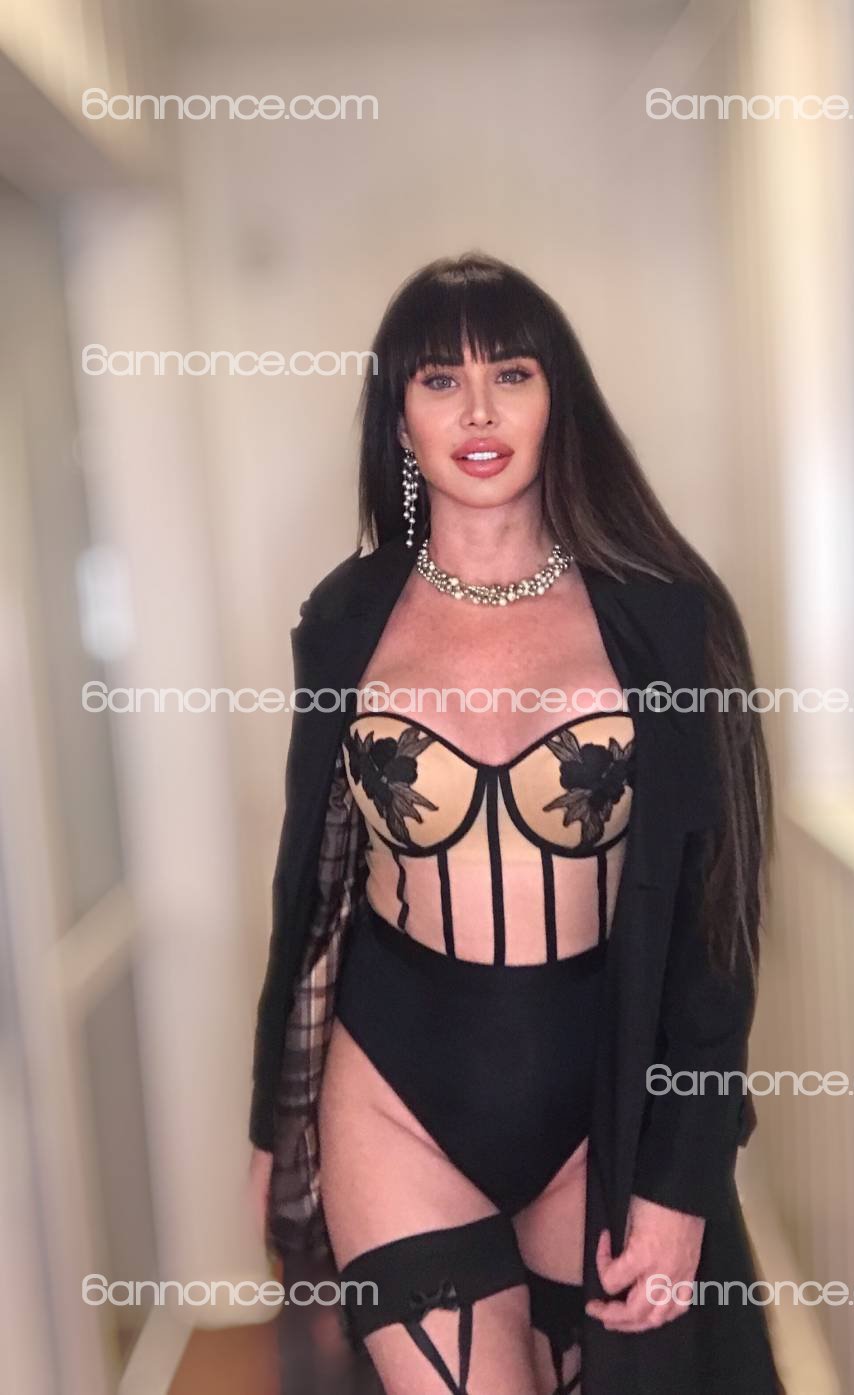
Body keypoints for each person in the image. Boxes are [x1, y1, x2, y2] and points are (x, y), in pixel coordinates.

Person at [248, 252, 784, 1393]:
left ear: (559, 399)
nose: (479, 411)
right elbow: (311, 885)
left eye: (512, 374)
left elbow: (714, 928)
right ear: (399, 417)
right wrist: (272, 1122)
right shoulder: (344, 620)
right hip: (393, 1098)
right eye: (440, 380)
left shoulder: (667, 623)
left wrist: (683, 1183)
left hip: (604, 1103)